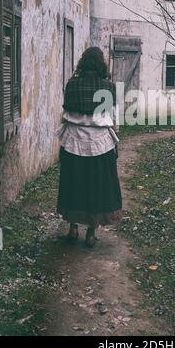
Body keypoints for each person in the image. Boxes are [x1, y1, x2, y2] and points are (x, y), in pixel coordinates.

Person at [55, 47, 122, 247]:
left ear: (82, 63)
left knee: (73, 185)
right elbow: (113, 119)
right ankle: (91, 232)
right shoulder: (108, 88)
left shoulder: (72, 85)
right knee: (97, 187)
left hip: (73, 142)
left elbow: (65, 113)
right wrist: (116, 142)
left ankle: (73, 228)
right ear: (101, 64)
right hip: (101, 144)